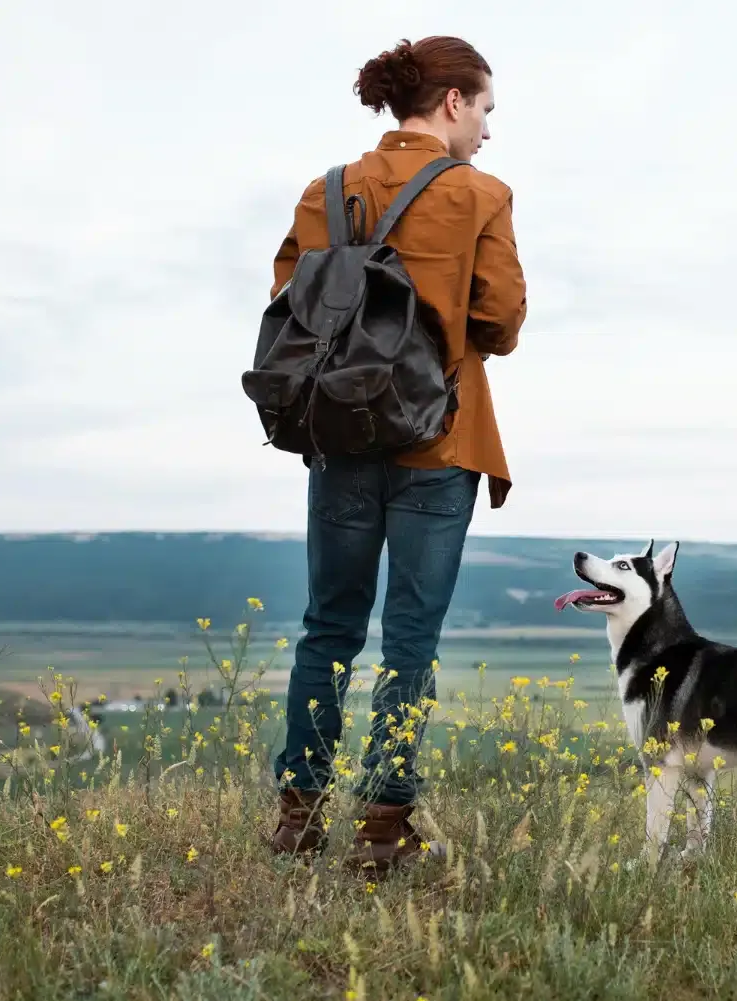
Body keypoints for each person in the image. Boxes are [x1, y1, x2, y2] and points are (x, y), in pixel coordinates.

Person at [266, 35, 527, 875]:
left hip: (341, 439)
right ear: (452, 102)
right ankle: (385, 826)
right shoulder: (480, 194)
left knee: (326, 626)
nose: (486, 129)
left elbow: (287, 301)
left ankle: (298, 817)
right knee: (410, 637)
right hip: (437, 440)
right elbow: (503, 322)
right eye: (484, 109)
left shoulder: (326, 192)